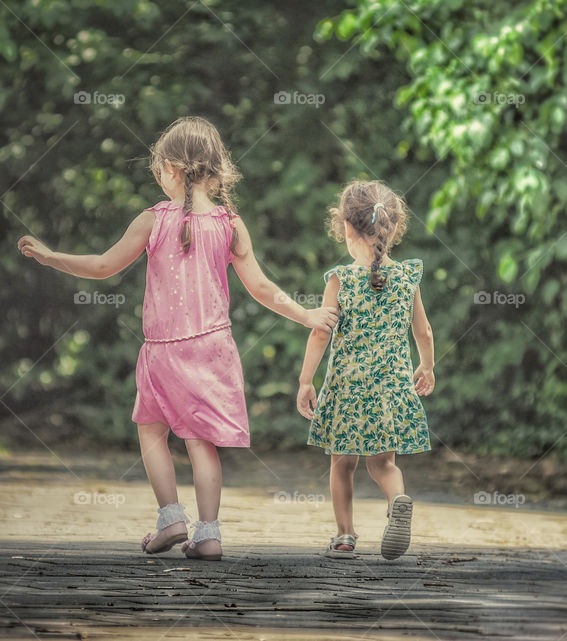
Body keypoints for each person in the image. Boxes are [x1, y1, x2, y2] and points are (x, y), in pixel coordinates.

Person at [18, 116, 338, 561]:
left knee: (151, 431)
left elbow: (103, 266)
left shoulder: (153, 220)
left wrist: (53, 258)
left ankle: (171, 517)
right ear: (214, 170)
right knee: (200, 442)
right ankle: (208, 533)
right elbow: (263, 289)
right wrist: (306, 314)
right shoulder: (230, 223)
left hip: (164, 351)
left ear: (171, 168)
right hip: (213, 347)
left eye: (157, 169)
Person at [296, 179, 434, 560]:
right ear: (393, 229)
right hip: (391, 387)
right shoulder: (408, 277)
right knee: (384, 464)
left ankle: (344, 535)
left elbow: (320, 335)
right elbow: (422, 330)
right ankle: (399, 498)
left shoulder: (341, 280)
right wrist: (427, 366)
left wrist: (306, 380)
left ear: (345, 227)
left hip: (348, 388)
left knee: (342, 464)